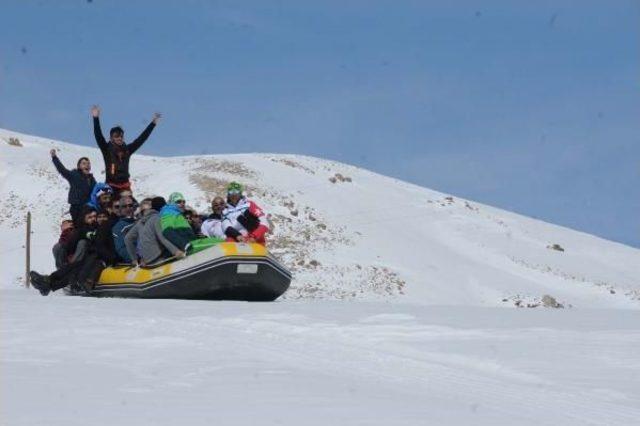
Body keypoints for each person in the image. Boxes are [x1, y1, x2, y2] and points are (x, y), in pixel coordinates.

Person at [30, 206, 101, 295]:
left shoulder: (99, 228)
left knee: (76, 267)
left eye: (95, 216)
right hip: (88, 257)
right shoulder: (82, 230)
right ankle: (48, 282)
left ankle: (48, 284)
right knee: (73, 267)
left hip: (96, 257)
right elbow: (70, 245)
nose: (93, 219)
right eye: (90, 217)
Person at [91, 105, 161, 193]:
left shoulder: (127, 150)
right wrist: (95, 117)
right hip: (111, 186)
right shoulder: (106, 149)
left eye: (121, 136)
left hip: (125, 187)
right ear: (111, 138)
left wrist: (153, 123)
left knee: (131, 204)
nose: (119, 138)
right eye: (116, 136)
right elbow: (98, 135)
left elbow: (141, 139)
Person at [125, 196, 185, 267]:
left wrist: (134, 259)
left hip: (147, 261)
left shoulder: (140, 222)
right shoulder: (156, 218)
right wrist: (176, 252)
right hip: (160, 257)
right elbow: (162, 237)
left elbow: (127, 239)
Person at [50, 149, 97, 223]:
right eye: (84, 163)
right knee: (78, 228)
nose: (87, 165)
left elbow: (95, 191)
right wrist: (54, 158)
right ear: (79, 166)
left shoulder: (92, 179)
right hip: (76, 207)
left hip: (88, 207)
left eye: (88, 163)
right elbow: (62, 170)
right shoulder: (74, 175)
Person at [112, 196, 138, 263]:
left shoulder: (139, 221)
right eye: (124, 206)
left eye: (130, 205)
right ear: (120, 209)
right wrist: (134, 259)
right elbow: (121, 249)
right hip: (136, 261)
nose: (128, 208)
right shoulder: (117, 227)